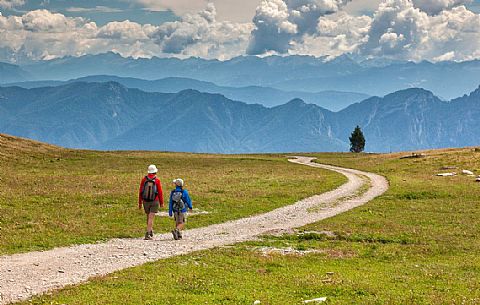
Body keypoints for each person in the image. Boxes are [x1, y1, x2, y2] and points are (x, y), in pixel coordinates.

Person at [138, 164, 164, 240]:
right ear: (155, 172)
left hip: (145, 201)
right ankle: (148, 233)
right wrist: (161, 202)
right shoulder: (157, 180)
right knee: (151, 217)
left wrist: (140, 202)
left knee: (148, 216)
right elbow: (160, 192)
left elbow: (140, 191)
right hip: (154, 201)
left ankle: (150, 230)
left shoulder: (144, 180)